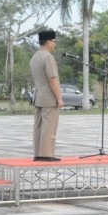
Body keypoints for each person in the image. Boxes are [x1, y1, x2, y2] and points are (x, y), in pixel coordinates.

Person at [30, 30, 63, 162]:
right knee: (49, 126)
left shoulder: (35, 56)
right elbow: (52, 79)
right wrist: (59, 98)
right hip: (49, 97)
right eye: (54, 42)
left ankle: (38, 153)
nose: (55, 44)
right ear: (49, 42)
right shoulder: (48, 57)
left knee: (38, 126)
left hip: (38, 95)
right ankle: (46, 154)